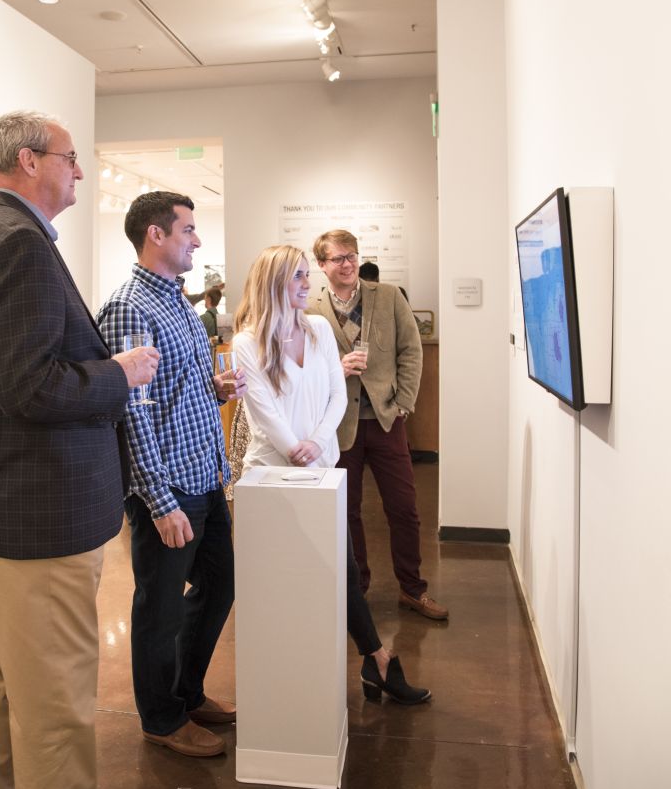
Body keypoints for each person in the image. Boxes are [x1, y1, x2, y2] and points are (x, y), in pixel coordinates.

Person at [0, 110, 159, 789]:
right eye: (70, 160)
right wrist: (120, 373)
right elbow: (29, 386)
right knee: (57, 704)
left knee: (2, 686)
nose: (78, 173)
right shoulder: (20, 245)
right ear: (30, 162)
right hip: (42, 515)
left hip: (8, 510)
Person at [231, 245, 430, 705]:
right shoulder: (246, 343)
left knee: (338, 567)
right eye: (298, 277)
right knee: (288, 582)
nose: (307, 284)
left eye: (306, 275)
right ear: (275, 283)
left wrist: (318, 444)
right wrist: (293, 448)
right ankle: (361, 664)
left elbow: (337, 396)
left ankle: (372, 660)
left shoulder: (318, 329)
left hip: (320, 472)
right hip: (272, 479)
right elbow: (261, 409)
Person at [97, 191, 244, 759]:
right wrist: (159, 502)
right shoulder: (131, 307)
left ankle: (185, 691)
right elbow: (131, 412)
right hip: (170, 489)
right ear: (156, 235)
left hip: (205, 478)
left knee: (221, 584)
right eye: (188, 230)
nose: (197, 240)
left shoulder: (179, 304)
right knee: (158, 606)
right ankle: (161, 717)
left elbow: (171, 392)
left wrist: (214, 388)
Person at [311, 229, 448, 620]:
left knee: (404, 509)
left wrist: (404, 401)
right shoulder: (310, 311)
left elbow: (412, 350)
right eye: (338, 258)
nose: (348, 263)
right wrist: (336, 371)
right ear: (322, 265)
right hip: (339, 427)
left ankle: (412, 589)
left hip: (387, 420)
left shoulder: (387, 296)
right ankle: (357, 590)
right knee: (346, 511)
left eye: (352, 255)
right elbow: (306, 369)